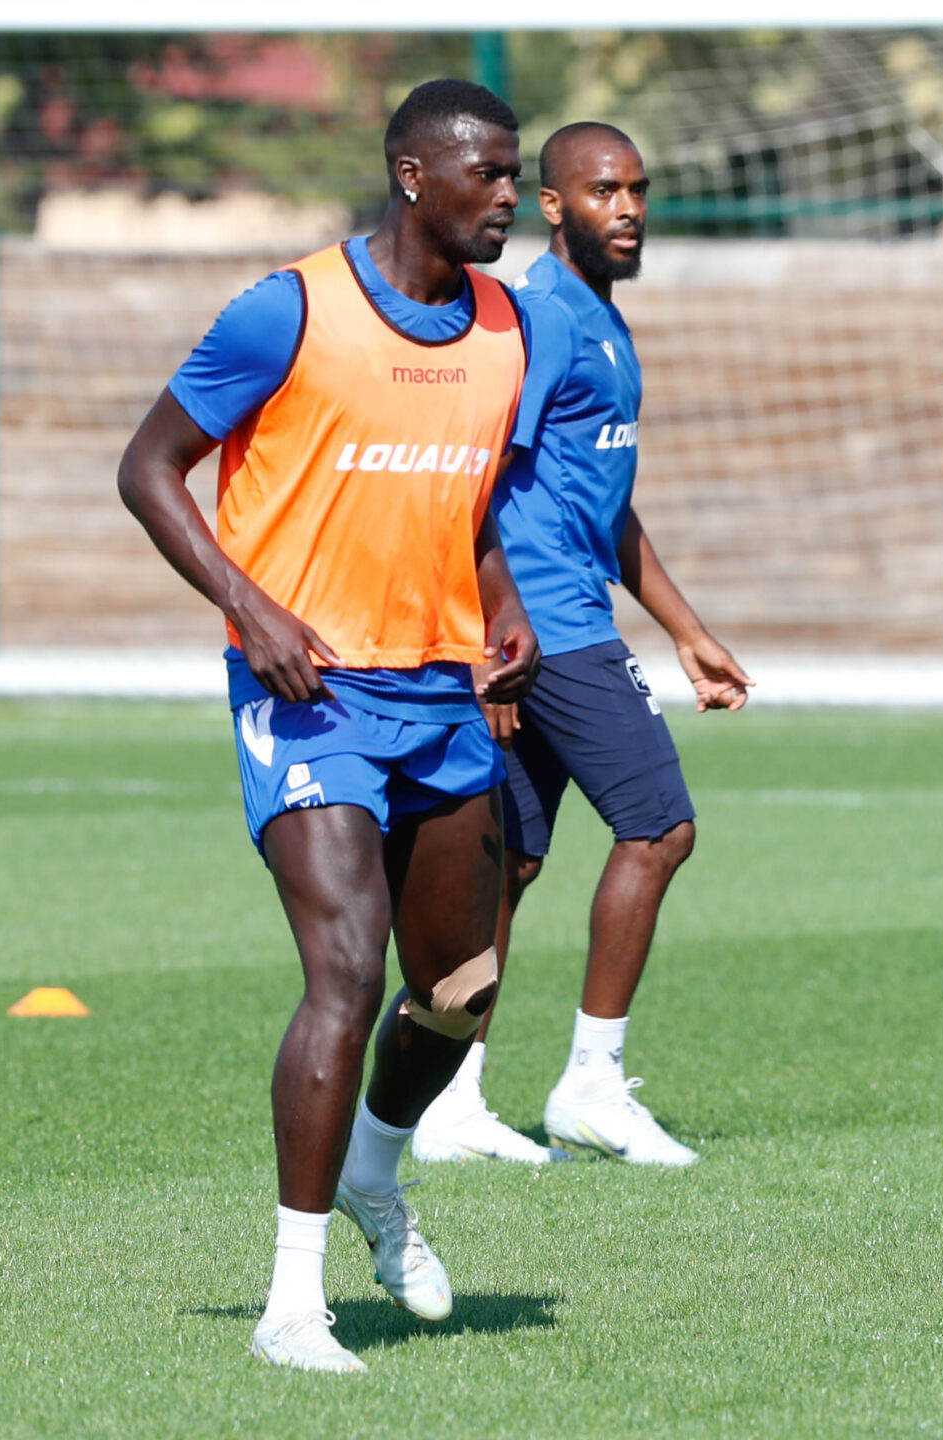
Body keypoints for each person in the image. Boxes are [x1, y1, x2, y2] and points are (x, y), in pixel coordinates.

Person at [115, 79, 537, 1372]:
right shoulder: (288, 310)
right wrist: (256, 611)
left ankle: (374, 1167)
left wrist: (503, 607)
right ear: (415, 176)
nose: (509, 196)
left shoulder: (507, 325)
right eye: (489, 173)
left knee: (462, 990)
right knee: (345, 968)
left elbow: (466, 497)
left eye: (516, 173)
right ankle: (291, 1305)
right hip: (308, 691)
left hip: (440, 688)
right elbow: (147, 469)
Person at [409, 122, 751, 1170]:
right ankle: (589, 1086)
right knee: (658, 826)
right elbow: (467, 482)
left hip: (565, 618)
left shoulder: (604, 320)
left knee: (505, 864)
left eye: (639, 189)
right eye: (604, 190)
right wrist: (481, 641)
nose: (629, 208)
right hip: (543, 629)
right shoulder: (539, 319)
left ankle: (449, 1101)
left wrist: (687, 632)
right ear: (553, 207)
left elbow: (608, 508)